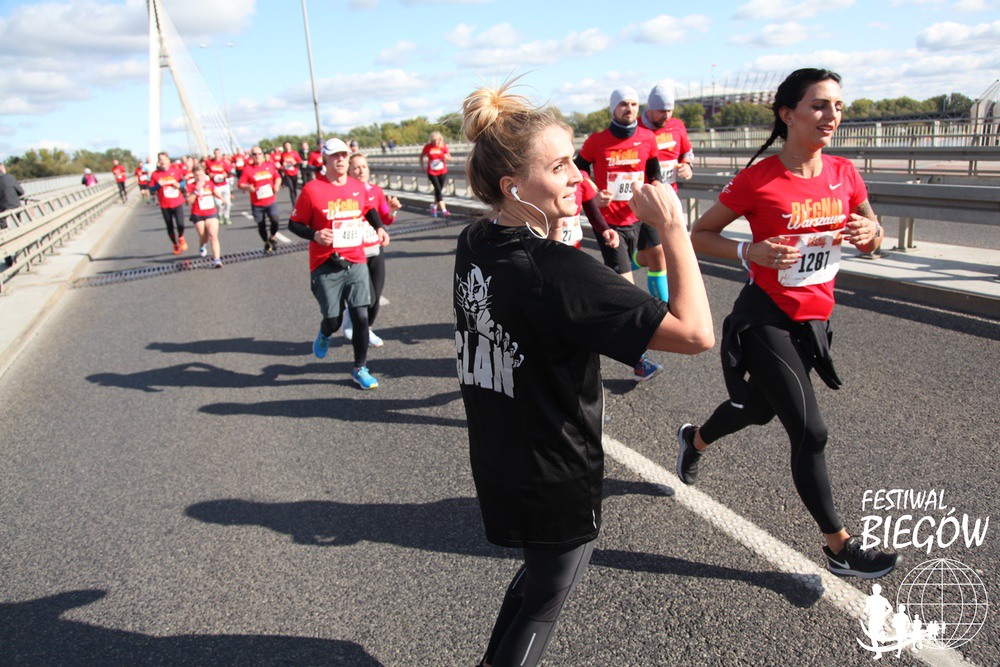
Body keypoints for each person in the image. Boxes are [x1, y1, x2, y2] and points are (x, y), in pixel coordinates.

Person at [454, 81, 713, 667]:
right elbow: (697, 333)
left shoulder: (476, 241)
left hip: (499, 450)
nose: (581, 179)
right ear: (512, 186)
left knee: (539, 579)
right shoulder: (559, 272)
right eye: (561, 167)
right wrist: (673, 229)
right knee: (550, 591)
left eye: (574, 161)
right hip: (555, 464)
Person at [677, 68, 896, 579]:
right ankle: (839, 547)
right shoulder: (759, 179)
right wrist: (748, 250)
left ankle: (695, 440)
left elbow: (873, 234)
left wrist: (872, 235)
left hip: (813, 318)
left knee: (756, 410)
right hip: (764, 317)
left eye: (838, 106)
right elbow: (699, 235)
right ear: (787, 114)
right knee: (811, 432)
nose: (831, 115)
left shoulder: (845, 173)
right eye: (819, 105)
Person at [575, 86, 667, 381]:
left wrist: (655, 186)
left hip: (641, 215)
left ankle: (665, 311)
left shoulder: (647, 137)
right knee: (627, 292)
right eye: (624, 104)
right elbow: (578, 170)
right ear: (613, 108)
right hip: (611, 225)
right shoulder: (596, 141)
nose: (630, 109)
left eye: (634, 104)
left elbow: (654, 170)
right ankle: (638, 361)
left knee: (658, 257)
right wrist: (593, 191)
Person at [287, 138, 390, 390]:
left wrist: (379, 227)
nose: (341, 159)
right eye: (335, 155)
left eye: (344, 155)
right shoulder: (312, 189)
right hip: (325, 263)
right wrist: (314, 234)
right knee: (333, 320)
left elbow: (368, 209)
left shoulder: (357, 186)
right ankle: (325, 332)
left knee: (361, 316)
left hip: (355, 259)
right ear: (325, 159)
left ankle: (360, 368)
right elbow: (294, 224)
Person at [342, 152, 402, 347]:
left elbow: (384, 220)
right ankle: (357, 323)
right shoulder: (344, 192)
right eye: (356, 167)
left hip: (374, 248)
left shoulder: (376, 191)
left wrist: (391, 210)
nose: (361, 171)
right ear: (349, 171)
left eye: (364, 166)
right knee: (369, 297)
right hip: (355, 251)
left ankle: (366, 328)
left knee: (375, 299)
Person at [640, 83, 694, 193]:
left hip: (670, 193)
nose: (666, 116)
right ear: (650, 109)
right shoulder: (636, 128)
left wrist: (687, 164)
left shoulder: (677, 125)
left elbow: (687, 152)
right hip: (644, 195)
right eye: (662, 111)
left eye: (669, 111)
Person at [237, 146, 283, 254]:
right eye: (254, 154)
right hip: (257, 203)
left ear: (263, 154)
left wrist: (277, 185)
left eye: (259, 153)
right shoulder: (248, 169)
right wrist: (248, 187)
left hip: (270, 200)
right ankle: (266, 242)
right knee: (261, 224)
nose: (257, 156)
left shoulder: (269, 165)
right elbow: (240, 184)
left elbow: (277, 177)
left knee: (275, 220)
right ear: (251, 156)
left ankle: (272, 236)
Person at [147, 152, 188, 254]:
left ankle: (181, 237)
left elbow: (183, 182)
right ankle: (175, 244)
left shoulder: (175, 170)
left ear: (168, 160)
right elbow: (151, 189)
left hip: (177, 202)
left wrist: (179, 185)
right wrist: (158, 185)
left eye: (164, 159)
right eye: (160, 160)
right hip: (165, 204)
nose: (162, 162)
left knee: (180, 224)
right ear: (158, 162)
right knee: (170, 226)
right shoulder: (155, 174)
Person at [185, 163, 224, 268]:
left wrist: (223, 199)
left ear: (204, 174)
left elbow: (214, 191)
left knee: (213, 235)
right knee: (204, 236)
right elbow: (188, 202)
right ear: (193, 175)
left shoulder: (209, 183)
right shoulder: (190, 186)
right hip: (198, 214)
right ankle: (202, 245)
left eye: (201, 175)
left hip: (211, 212)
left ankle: (217, 259)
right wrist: (196, 190)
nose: (199, 177)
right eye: (196, 175)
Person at [420, 131, 451, 218]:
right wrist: (422, 166)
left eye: (437, 140)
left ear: (440, 139)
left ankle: (434, 205)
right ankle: (444, 210)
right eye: (433, 140)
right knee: (438, 190)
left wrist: (446, 157)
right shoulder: (428, 146)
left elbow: (450, 158)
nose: (435, 142)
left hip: (442, 171)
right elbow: (421, 155)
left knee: (439, 190)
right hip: (432, 172)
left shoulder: (443, 146)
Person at [205, 148, 233, 225]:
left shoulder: (224, 163)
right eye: (216, 153)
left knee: (228, 203)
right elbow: (206, 171)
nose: (217, 155)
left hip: (224, 185)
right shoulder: (209, 162)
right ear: (214, 154)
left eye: (218, 153)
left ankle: (227, 216)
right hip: (215, 186)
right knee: (218, 204)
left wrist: (225, 175)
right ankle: (220, 215)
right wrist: (209, 174)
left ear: (220, 154)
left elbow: (229, 173)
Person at [280, 141, 304, 206]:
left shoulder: (295, 153)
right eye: (286, 145)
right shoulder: (283, 154)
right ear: (284, 147)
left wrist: (295, 162)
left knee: (295, 188)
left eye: (288, 145)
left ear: (290, 146)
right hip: (287, 174)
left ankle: (296, 201)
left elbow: (300, 161)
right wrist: (283, 165)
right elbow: (281, 164)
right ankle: (294, 204)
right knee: (291, 189)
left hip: (295, 173)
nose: (287, 146)